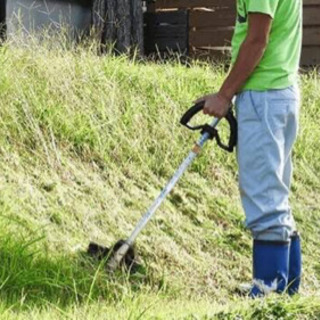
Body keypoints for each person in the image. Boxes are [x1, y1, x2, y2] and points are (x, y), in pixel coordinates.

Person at [196, 0, 302, 297]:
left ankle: (268, 292)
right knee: (275, 194)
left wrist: (224, 94)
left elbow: (257, 40)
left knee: (263, 197)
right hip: (279, 92)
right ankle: (287, 292)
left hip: (264, 96)